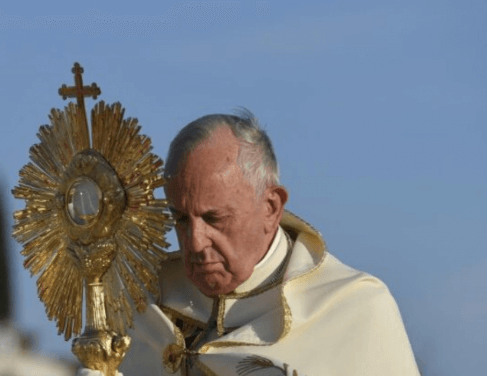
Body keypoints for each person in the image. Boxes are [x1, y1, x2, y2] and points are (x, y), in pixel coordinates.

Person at [79, 110, 420, 376]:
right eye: (181, 219)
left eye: (214, 219)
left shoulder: (352, 310)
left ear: (271, 207)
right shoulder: (140, 310)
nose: (195, 243)